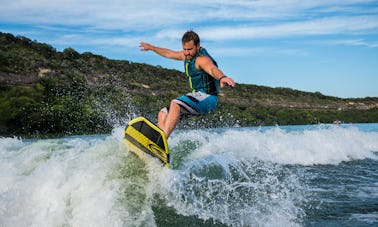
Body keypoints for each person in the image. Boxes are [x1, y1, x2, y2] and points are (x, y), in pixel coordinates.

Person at [139, 30, 235, 138]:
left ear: (198, 46)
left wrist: (222, 77)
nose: (186, 52)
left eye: (189, 49)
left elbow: (212, 69)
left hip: (208, 98)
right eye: (184, 49)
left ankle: (161, 140)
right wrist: (152, 47)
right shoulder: (186, 55)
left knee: (175, 103)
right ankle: (160, 146)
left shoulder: (202, 59)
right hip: (197, 98)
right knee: (163, 113)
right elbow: (169, 53)